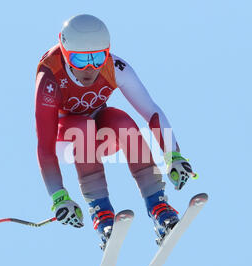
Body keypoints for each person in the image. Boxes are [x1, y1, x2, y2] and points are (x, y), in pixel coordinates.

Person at [35, 14, 195, 249]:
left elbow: (151, 111)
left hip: (102, 134)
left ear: (107, 53)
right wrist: (59, 196)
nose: (89, 68)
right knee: (82, 127)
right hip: (67, 138)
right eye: (79, 60)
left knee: (120, 119)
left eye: (97, 58)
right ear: (65, 53)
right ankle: (102, 214)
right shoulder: (50, 76)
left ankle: (158, 207)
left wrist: (173, 154)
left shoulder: (115, 67)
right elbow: (45, 146)